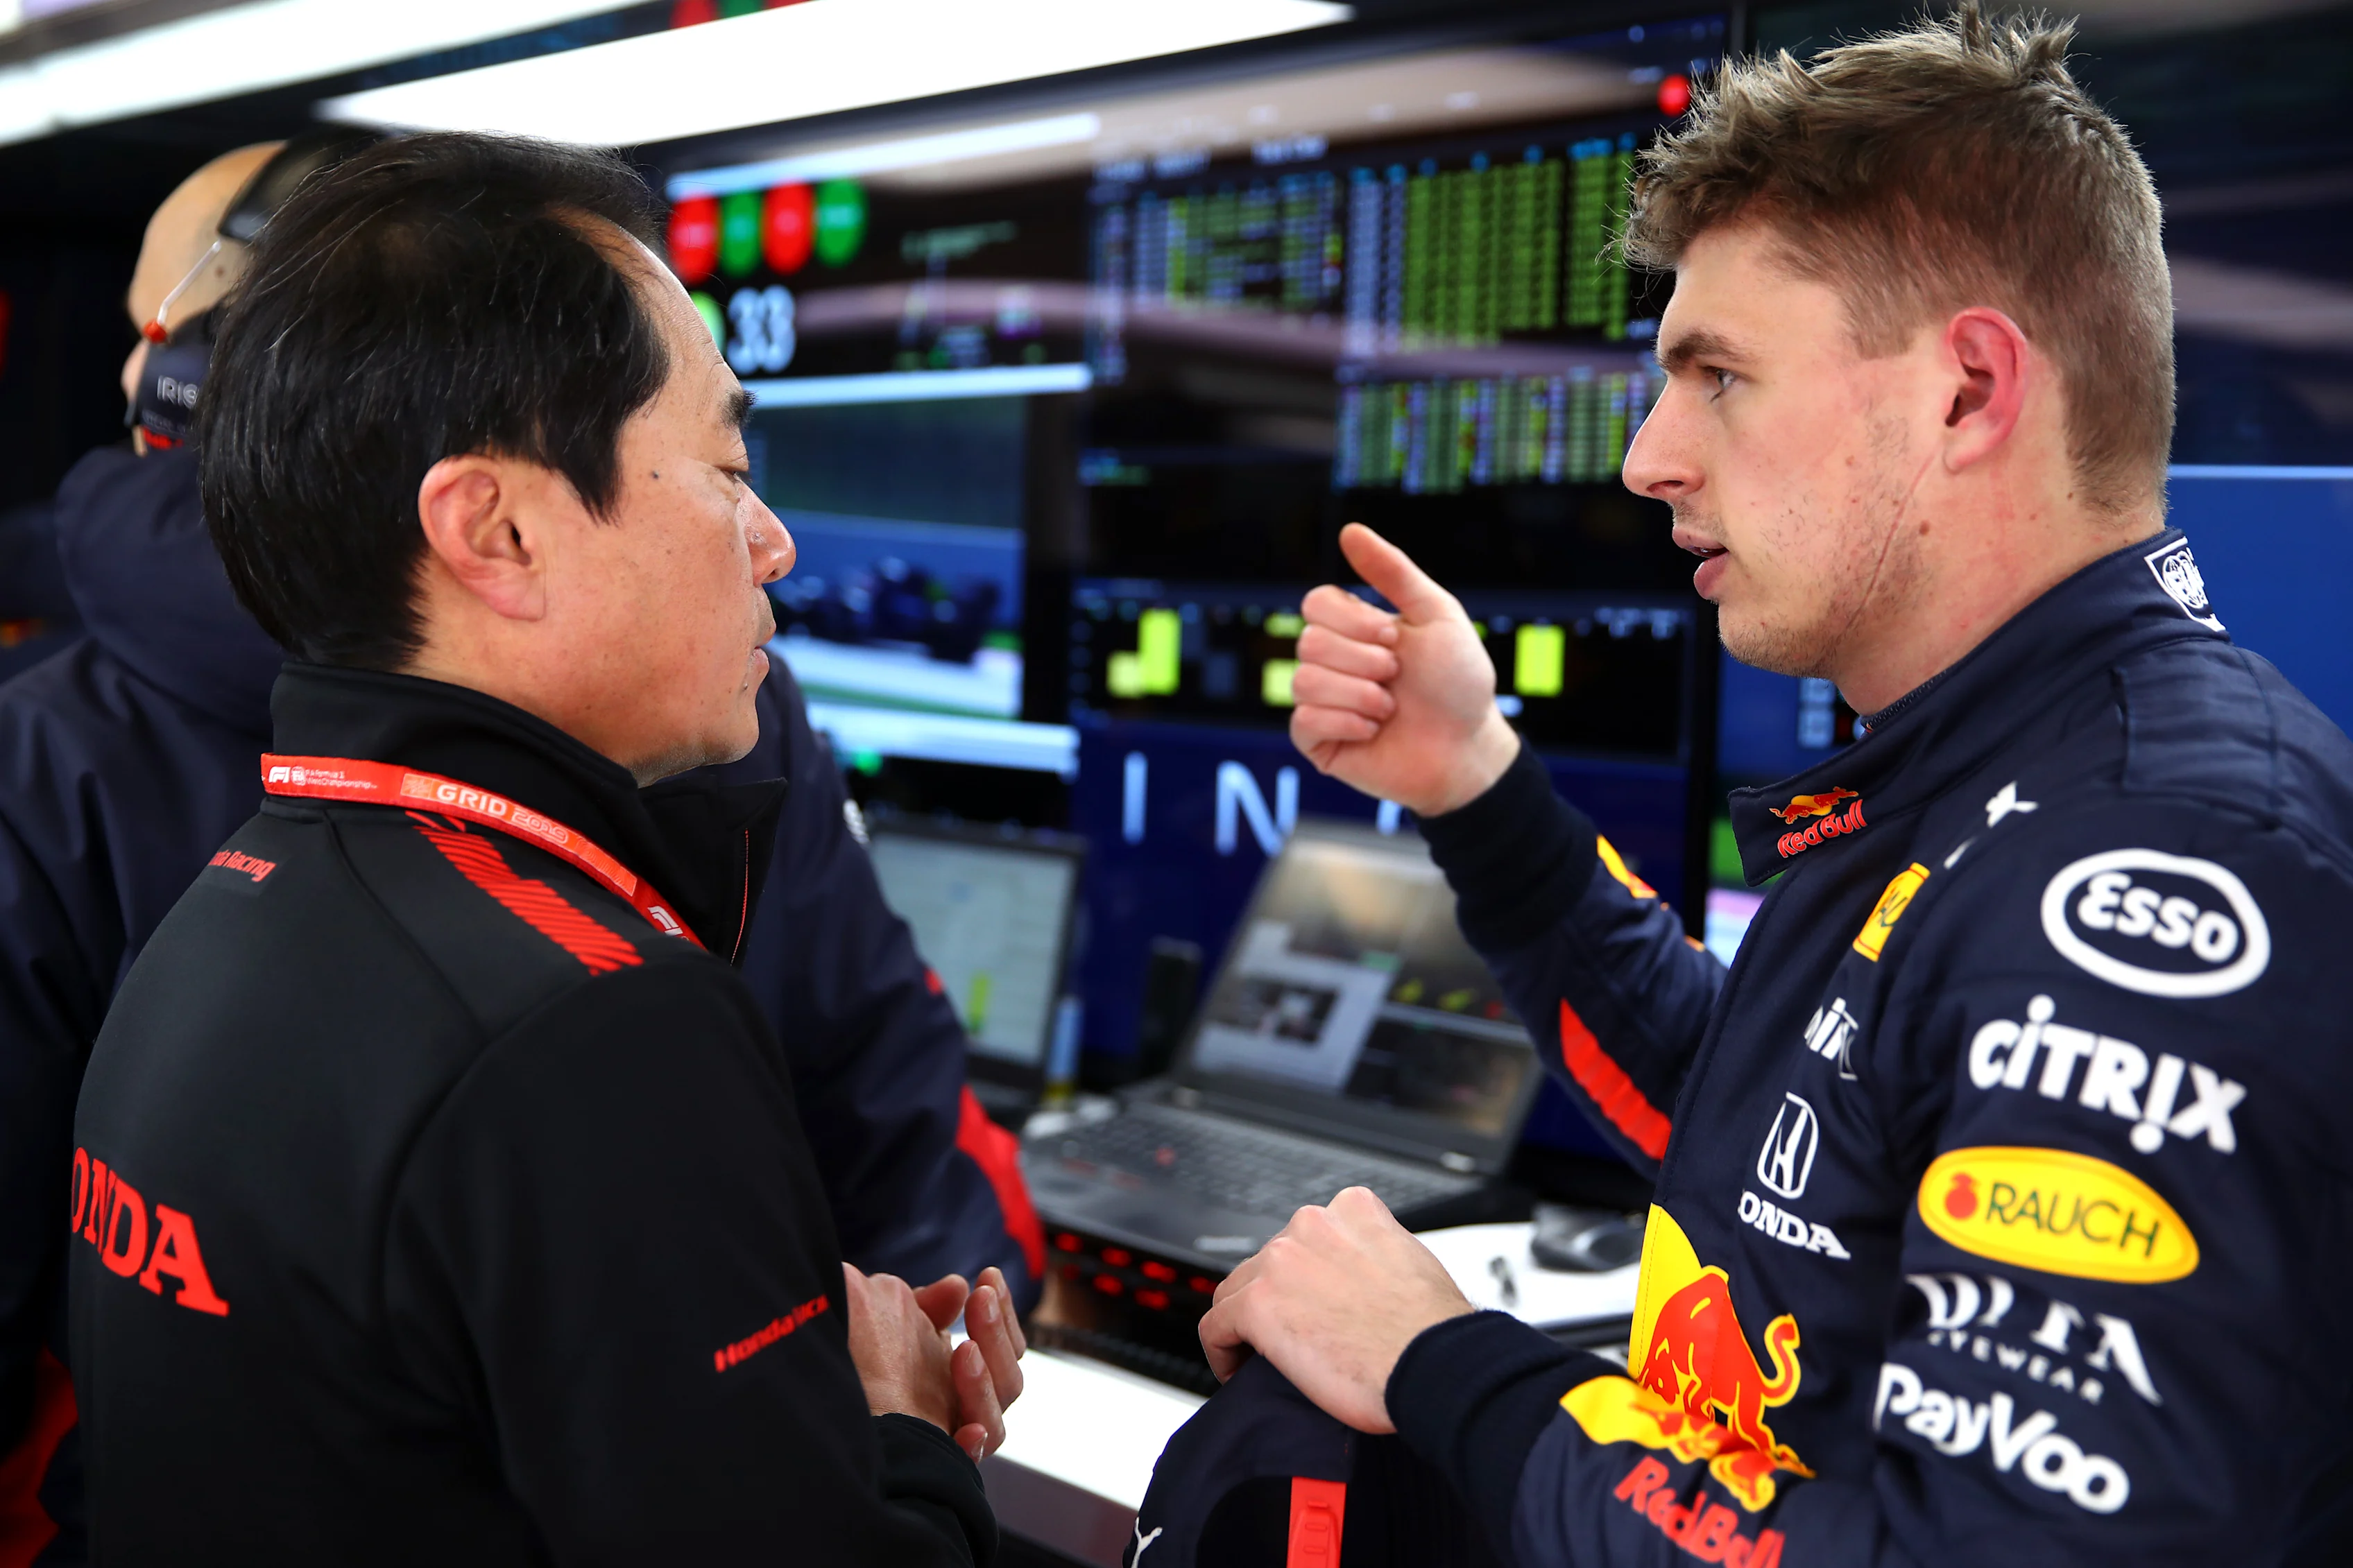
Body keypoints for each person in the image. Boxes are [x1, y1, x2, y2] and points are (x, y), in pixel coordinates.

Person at [1195, 8, 2353, 1564]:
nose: (1648, 458)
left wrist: (1442, 1361)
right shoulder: (1981, 762)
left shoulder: (2159, 865)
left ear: (1967, 392)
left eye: (1718, 375)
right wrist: (1470, 781)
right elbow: (1772, 1136)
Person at [0, 143, 1038, 1560]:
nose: (775, 543)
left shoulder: (243, 893)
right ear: (492, 528)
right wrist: (902, 1432)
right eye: (728, 467)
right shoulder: (599, 1019)